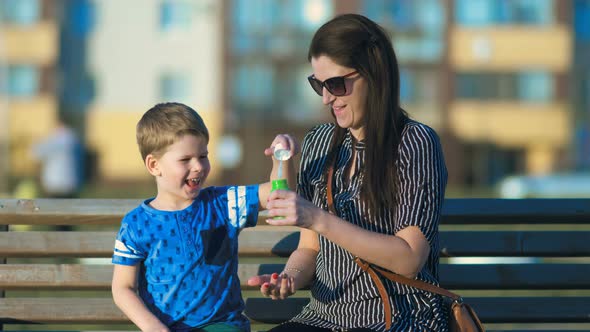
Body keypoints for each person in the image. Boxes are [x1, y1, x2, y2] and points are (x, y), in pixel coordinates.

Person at [248, 14, 448, 332]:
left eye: (336, 83)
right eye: (318, 84)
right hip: (323, 317)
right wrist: (289, 278)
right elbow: (309, 248)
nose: (327, 97)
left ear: (374, 74)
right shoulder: (318, 143)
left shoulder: (414, 142)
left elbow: (409, 260)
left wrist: (317, 217)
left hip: (397, 317)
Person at [111, 102, 298, 332]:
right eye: (185, 159)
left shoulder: (223, 204)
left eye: (203, 155)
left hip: (222, 326)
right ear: (154, 165)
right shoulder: (137, 224)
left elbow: (279, 193)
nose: (198, 166)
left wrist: (282, 159)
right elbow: (123, 288)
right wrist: (155, 328)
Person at [31, 117, 84, 199]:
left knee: (55, 209)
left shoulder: (60, 138)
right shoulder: (74, 138)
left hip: (56, 185)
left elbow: (36, 152)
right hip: (71, 184)